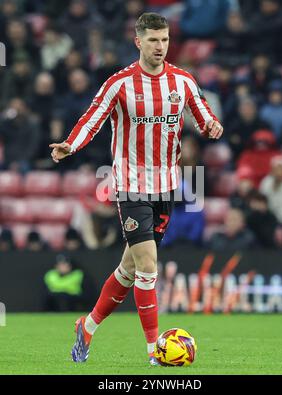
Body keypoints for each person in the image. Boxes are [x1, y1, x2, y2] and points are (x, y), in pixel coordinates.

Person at [49, 12, 223, 365]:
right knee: (148, 267)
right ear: (138, 41)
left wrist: (211, 126)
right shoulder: (120, 83)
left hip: (166, 187)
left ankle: (87, 327)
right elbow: (92, 117)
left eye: (165, 40)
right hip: (130, 185)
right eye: (153, 40)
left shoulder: (183, 81)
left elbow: (203, 114)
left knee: (129, 270)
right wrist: (71, 144)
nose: (160, 47)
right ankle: (154, 353)